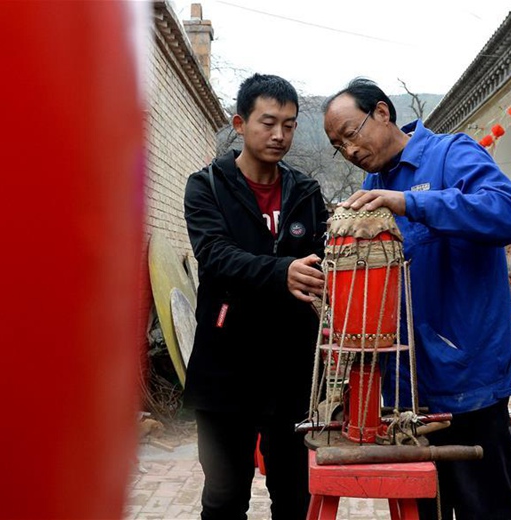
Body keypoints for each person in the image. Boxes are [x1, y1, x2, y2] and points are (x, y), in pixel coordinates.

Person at [322, 78, 511, 520]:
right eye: (338, 145)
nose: (349, 150)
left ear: (381, 112)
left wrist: (413, 203)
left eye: (351, 134)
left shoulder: (452, 153)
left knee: (483, 508)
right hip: (406, 395)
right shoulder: (373, 186)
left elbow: (507, 212)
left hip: (467, 386)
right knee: (422, 511)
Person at [184, 73, 328, 520]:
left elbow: (324, 259)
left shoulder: (305, 192)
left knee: (296, 497)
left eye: (288, 124)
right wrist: (282, 269)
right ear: (240, 123)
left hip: (292, 371)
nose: (279, 134)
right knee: (225, 499)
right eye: (268, 122)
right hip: (226, 369)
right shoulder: (206, 185)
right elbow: (215, 255)